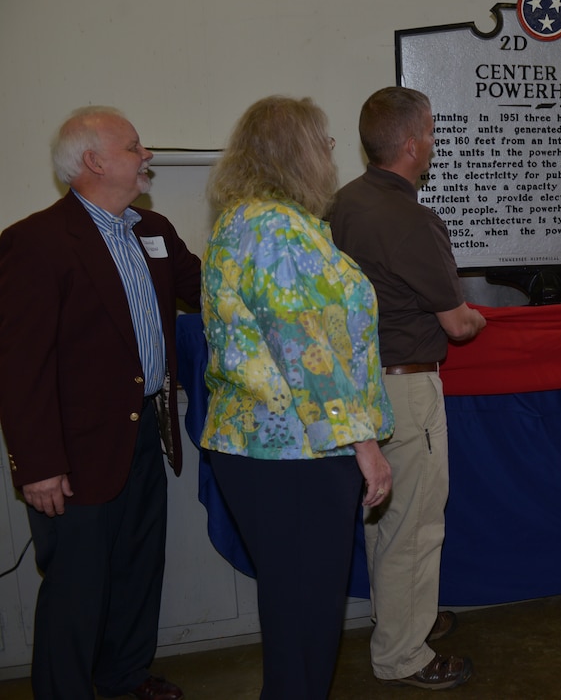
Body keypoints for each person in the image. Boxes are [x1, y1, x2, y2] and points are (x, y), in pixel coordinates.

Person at [0, 106, 200, 699]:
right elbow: (19, 365)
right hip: (74, 452)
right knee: (77, 589)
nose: (147, 157)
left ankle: (123, 679)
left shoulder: (153, 230)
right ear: (93, 161)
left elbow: (206, 291)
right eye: (135, 147)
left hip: (145, 437)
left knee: (138, 571)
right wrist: (36, 464)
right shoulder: (35, 243)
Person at [200, 96, 394, 699]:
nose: (334, 154)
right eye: (326, 142)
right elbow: (310, 353)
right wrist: (364, 443)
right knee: (307, 624)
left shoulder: (240, 220)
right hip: (296, 454)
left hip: (255, 447)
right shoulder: (280, 232)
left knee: (292, 615)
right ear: (300, 152)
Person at [329, 86, 486, 690]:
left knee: (383, 517)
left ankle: (399, 620)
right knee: (415, 526)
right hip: (405, 389)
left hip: (358, 384)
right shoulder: (411, 218)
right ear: (414, 143)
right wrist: (476, 318)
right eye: (432, 132)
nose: (434, 143)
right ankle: (403, 653)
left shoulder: (342, 203)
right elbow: (457, 323)